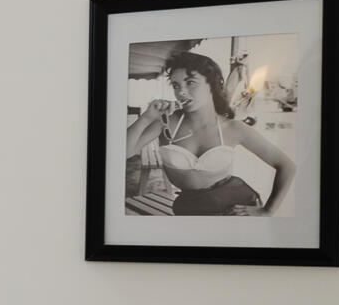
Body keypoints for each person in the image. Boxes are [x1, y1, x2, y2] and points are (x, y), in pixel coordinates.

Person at [124, 49, 294, 216]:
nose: (181, 92)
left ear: (212, 84)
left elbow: (287, 166)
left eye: (190, 82)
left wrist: (267, 210)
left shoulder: (233, 128)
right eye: (176, 85)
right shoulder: (167, 122)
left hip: (234, 206)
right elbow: (124, 152)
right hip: (190, 208)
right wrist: (146, 117)